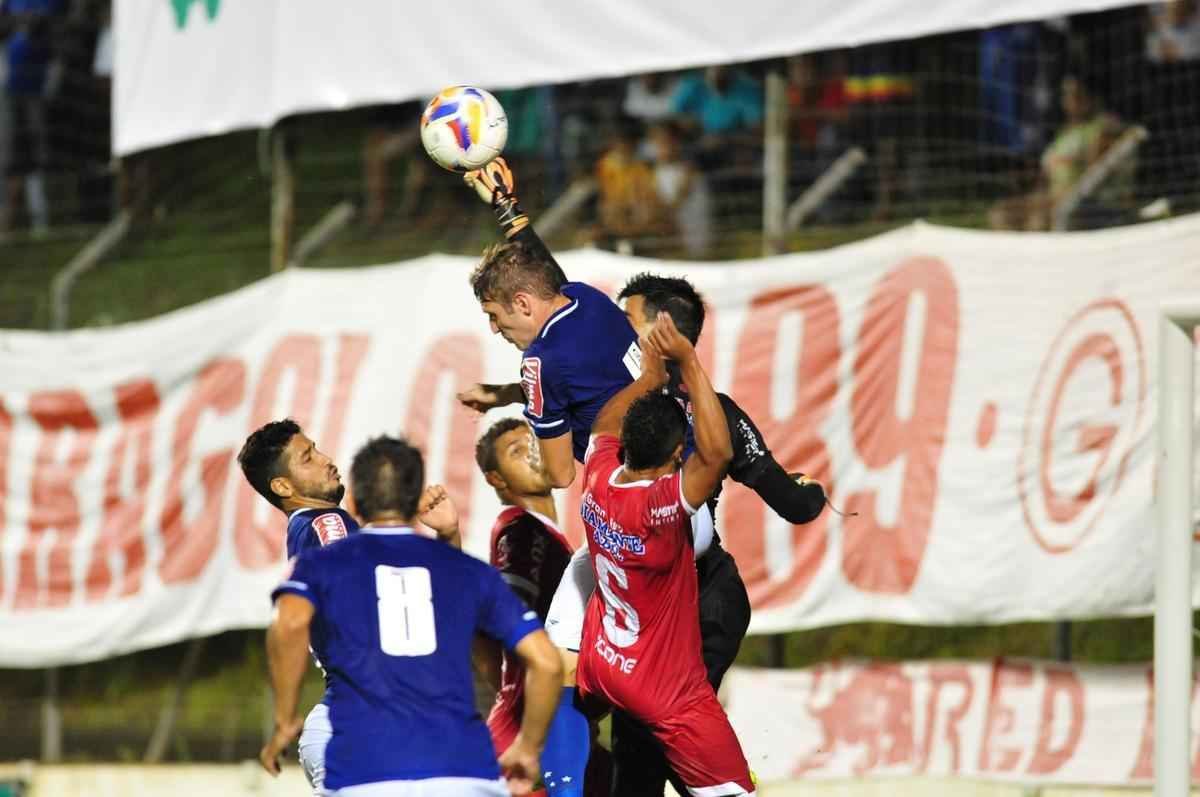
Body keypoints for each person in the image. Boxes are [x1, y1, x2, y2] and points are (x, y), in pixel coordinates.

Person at [610, 274, 827, 795]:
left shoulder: (626, 413)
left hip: (698, 604)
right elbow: (795, 503)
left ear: (662, 335)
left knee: (657, 741)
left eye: (624, 326)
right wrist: (811, 492)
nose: (611, 341)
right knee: (644, 745)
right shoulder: (712, 410)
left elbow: (791, 505)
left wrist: (811, 496)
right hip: (661, 607)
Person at [261, 435, 563, 796]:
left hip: (360, 751)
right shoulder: (466, 571)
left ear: (356, 499)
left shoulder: (322, 562)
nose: (323, 459)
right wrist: (529, 748)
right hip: (456, 762)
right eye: (309, 456)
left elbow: (291, 621)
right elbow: (546, 663)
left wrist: (283, 719)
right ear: (416, 493)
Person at [576, 312, 756, 796]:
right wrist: (689, 362)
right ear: (678, 453)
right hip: (665, 690)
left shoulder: (597, 478)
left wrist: (649, 379)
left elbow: (603, 422)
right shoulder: (658, 506)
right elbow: (717, 454)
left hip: (602, 662)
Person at [239, 419, 460, 795]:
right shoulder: (329, 524)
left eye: (317, 449)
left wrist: (446, 535)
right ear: (282, 486)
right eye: (307, 457)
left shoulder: (312, 531)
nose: (326, 460)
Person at [455, 156, 640, 486]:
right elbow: (544, 273)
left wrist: (508, 476)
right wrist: (505, 205)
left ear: (523, 303)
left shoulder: (541, 361)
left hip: (638, 498)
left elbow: (561, 475)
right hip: (681, 468)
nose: (494, 329)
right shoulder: (586, 298)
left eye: (494, 316)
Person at [474, 418, 589, 796]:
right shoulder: (522, 533)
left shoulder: (546, 534)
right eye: (517, 451)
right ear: (496, 479)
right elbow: (502, 614)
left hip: (537, 723)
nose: (534, 453)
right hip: (528, 735)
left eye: (534, 442)